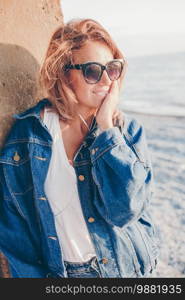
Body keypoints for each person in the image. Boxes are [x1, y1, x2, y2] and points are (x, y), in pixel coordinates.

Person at [0, 18, 159, 278]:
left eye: (113, 68)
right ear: (64, 73)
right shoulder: (27, 138)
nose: (106, 79)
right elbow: (14, 231)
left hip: (129, 269)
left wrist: (106, 128)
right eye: (93, 71)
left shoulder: (127, 132)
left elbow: (125, 210)